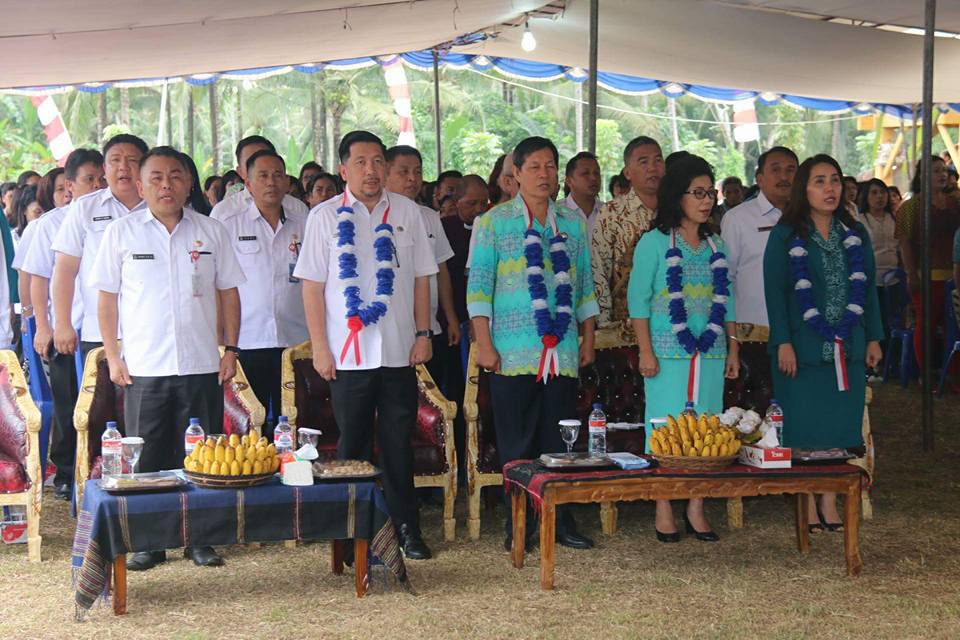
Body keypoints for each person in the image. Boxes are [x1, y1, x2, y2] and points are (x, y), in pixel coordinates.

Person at [92, 146, 244, 570]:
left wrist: (231, 349)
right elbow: (106, 299)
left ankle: (200, 540)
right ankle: (149, 542)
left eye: (175, 176)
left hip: (201, 364)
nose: (166, 185)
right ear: (140, 185)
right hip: (144, 367)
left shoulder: (210, 232)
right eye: (155, 177)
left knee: (201, 456)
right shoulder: (121, 233)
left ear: (188, 183)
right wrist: (114, 355)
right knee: (148, 459)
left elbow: (229, 292)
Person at [294, 130, 435, 560]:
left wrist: (424, 334)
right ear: (343, 170)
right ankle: (350, 531)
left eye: (378, 162)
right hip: (346, 353)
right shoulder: (322, 217)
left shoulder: (409, 212)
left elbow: (422, 278)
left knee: (397, 445)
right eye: (361, 162)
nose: (371, 171)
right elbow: (313, 288)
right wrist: (320, 347)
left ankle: (405, 528)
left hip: (397, 349)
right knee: (351, 444)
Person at [468, 136, 598, 552]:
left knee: (561, 443)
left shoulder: (572, 223)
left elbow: (584, 286)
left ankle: (560, 522)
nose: (544, 175)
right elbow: (478, 289)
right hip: (511, 352)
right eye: (535, 167)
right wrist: (484, 344)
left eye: (550, 166)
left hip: (561, 350)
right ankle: (518, 524)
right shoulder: (495, 222)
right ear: (516, 175)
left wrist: (588, 337)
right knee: (517, 444)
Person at [763, 154, 882, 531]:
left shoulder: (855, 233)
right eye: (819, 181)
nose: (829, 189)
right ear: (804, 188)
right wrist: (782, 341)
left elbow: (870, 292)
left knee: (836, 431)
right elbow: (776, 292)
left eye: (834, 180)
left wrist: (875, 337)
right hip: (802, 348)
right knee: (803, 429)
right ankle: (807, 504)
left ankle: (829, 503)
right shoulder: (785, 235)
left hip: (848, 346)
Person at [628, 155, 738, 543]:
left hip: (709, 353)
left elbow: (727, 301)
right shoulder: (654, 243)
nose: (707, 201)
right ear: (678, 196)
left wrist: (733, 350)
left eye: (711, 193)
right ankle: (663, 507)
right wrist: (645, 351)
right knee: (666, 430)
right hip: (665, 352)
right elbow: (638, 302)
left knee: (707, 428)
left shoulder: (716, 243)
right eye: (698, 193)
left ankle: (696, 507)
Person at [22, 148, 104, 501]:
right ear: (69, 185)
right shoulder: (49, 224)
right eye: (90, 180)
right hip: (67, 329)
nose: (98, 186)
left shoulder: (116, 217)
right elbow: (39, 279)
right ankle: (69, 472)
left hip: (106, 331)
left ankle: (102, 467)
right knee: (70, 403)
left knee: (103, 406)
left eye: (102, 179)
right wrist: (45, 325)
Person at [218, 149, 308, 434]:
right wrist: (222, 342)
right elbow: (219, 284)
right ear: (248, 183)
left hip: (295, 338)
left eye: (278, 175)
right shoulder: (229, 222)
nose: (271, 182)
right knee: (249, 424)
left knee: (293, 420)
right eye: (263, 176)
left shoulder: (303, 220)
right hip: (248, 339)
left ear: (287, 182)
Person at [52, 133, 148, 368]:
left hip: (152, 334)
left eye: (132, 160)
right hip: (100, 333)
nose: (123, 167)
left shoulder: (161, 209)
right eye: (115, 160)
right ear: (105, 168)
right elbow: (64, 270)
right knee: (100, 404)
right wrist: (62, 323)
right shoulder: (85, 208)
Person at [385, 146, 460, 394]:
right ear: (385, 173)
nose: (412, 179)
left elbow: (441, 270)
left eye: (417, 172)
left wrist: (450, 318)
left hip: (429, 328)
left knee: (433, 400)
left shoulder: (429, 216)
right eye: (404, 171)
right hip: (392, 330)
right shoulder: (375, 217)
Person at [721, 146, 798, 381]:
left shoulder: (809, 218)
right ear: (760, 179)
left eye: (791, 170)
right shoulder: (738, 219)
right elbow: (725, 281)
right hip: (755, 333)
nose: (784, 177)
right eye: (776, 170)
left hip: (802, 333)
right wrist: (732, 339)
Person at [592, 136, 664, 332]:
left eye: (658, 160)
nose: (652, 168)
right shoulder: (612, 213)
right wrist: (605, 324)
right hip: (625, 326)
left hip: (670, 322)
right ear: (627, 172)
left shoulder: (676, 210)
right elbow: (599, 271)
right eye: (643, 162)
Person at [896, 156, 960, 367]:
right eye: (935, 171)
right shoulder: (911, 207)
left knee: (955, 326)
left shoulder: (956, 202)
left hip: (955, 275)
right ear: (922, 176)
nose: (942, 174)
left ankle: (952, 374)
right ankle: (925, 374)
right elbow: (904, 243)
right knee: (927, 325)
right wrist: (911, 274)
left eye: (943, 170)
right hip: (926, 277)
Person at [211, 136, 310, 223]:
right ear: (240, 171)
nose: (260, 164)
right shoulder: (223, 213)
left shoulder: (298, 209)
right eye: (251, 162)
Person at [561, 151, 602, 241]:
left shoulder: (609, 213)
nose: (593, 178)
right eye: (585, 173)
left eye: (596, 173)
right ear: (569, 181)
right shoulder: (556, 213)